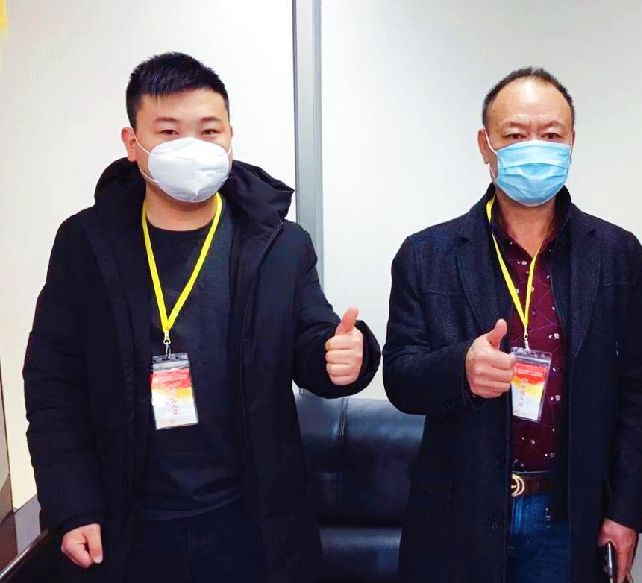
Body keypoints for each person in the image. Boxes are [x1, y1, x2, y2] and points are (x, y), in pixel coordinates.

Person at [23, 52, 380, 583]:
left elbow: (313, 344)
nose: (191, 146)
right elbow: (53, 383)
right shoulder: (86, 243)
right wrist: (72, 504)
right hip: (126, 524)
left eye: (209, 131)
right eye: (169, 131)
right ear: (132, 143)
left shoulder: (280, 245)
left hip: (251, 523)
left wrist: (349, 356)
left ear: (231, 138)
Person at [383, 67, 642, 583]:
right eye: (515, 134)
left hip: (567, 513)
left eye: (551, 134)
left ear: (572, 142)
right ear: (485, 146)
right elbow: (400, 377)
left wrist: (625, 512)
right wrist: (459, 369)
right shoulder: (427, 254)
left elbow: (640, 392)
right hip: (458, 513)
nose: (535, 148)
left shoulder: (616, 253)